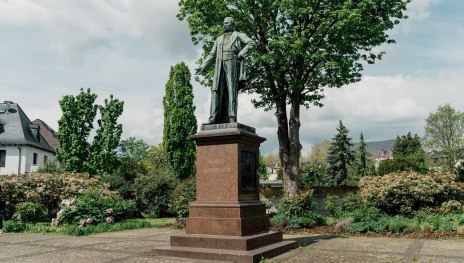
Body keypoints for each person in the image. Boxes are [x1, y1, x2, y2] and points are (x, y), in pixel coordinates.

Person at [195, 17, 256, 124]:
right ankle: (213, 118)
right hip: (220, 65)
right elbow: (212, 54)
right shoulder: (218, 39)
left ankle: (231, 117)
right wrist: (203, 66)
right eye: (223, 23)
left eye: (226, 23)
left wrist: (241, 54)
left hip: (232, 62)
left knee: (231, 90)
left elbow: (251, 43)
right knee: (216, 90)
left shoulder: (238, 35)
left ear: (232, 24)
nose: (224, 25)